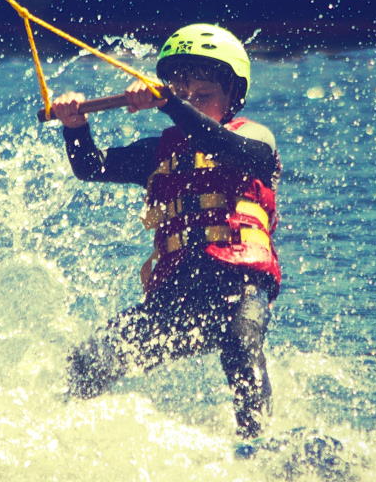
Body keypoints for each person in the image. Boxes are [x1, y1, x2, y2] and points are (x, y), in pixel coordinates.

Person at [51, 23, 282, 440]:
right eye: (182, 92)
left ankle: (260, 446)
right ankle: (60, 438)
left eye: (204, 95)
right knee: (89, 359)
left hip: (240, 286)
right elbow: (91, 167)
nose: (192, 103)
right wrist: (75, 126)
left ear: (233, 96)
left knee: (239, 345)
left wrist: (173, 104)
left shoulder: (252, 138)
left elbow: (229, 150)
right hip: (179, 296)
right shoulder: (156, 153)